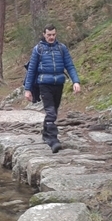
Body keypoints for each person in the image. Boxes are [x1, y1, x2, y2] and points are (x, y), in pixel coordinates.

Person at [23, 24, 81, 153]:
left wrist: (75, 81)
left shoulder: (62, 48)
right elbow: (31, 70)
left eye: (53, 35)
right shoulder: (38, 49)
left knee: (54, 110)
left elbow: (69, 65)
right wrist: (28, 89)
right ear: (44, 34)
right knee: (51, 112)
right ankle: (53, 140)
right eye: (49, 35)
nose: (51, 37)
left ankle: (45, 133)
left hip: (59, 83)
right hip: (44, 84)